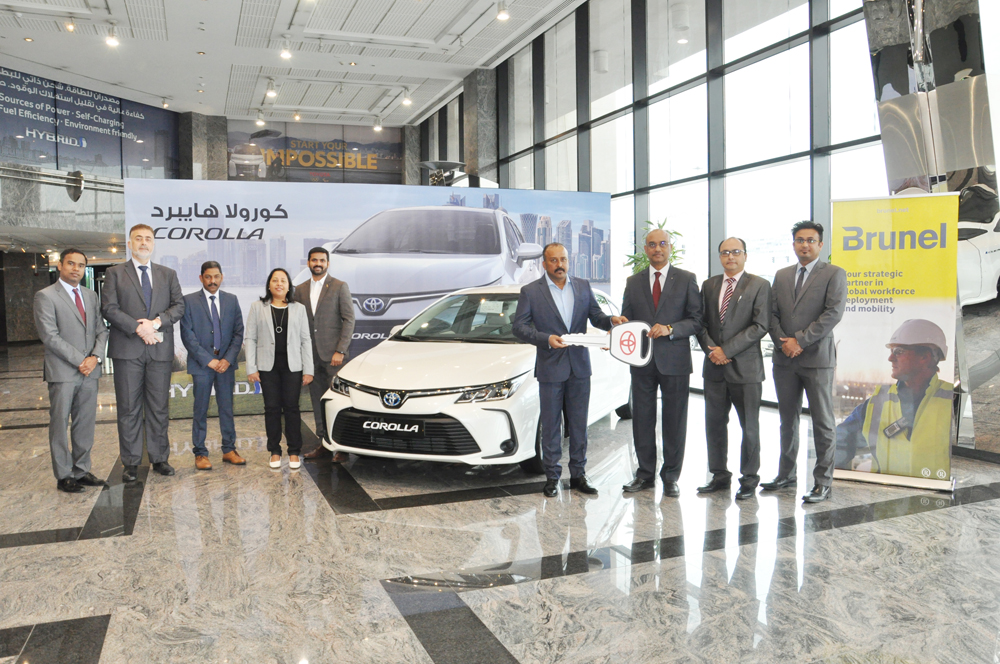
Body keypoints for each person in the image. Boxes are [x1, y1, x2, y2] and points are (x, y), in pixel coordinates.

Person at [512, 243, 626, 497]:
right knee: (552, 426)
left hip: (579, 367)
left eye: (563, 259)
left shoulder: (583, 286)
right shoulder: (531, 291)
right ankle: (552, 477)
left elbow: (596, 316)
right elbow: (519, 327)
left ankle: (578, 476)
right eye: (553, 260)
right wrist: (545, 338)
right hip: (550, 367)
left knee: (578, 425)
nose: (559, 264)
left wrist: (611, 320)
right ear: (544, 264)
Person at [764, 220, 847, 503]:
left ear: (820, 244)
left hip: (817, 359)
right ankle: (786, 475)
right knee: (787, 421)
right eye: (800, 240)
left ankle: (823, 482)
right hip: (784, 359)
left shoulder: (834, 274)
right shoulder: (782, 275)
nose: (805, 245)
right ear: (794, 244)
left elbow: (833, 313)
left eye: (811, 240)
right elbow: (771, 314)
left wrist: (799, 340)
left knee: (823, 422)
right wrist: (783, 342)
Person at [620, 229, 703, 497]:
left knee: (674, 420)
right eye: (652, 244)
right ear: (645, 249)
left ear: (670, 247)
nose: (658, 249)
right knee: (642, 419)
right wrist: (620, 326)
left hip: (675, 360)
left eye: (663, 244)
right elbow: (627, 318)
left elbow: (697, 320)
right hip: (642, 361)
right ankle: (644, 475)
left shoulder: (687, 279)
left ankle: (671, 477)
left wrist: (670, 328)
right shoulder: (633, 282)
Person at [101, 224, 185, 483]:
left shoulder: (168, 274)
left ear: (154, 243)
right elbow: (109, 309)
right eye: (138, 238)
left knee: (159, 407)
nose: (144, 243)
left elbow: (178, 306)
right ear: (129, 243)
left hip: (159, 351)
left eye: (148, 239)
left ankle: (160, 458)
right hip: (127, 351)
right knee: (128, 408)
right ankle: (131, 463)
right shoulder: (115, 273)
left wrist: (156, 323)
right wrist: (139, 328)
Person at [696, 237, 772, 500]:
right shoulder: (709, 285)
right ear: (719, 257)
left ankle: (749, 478)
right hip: (714, 368)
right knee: (714, 424)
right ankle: (719, 475)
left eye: (736, 252)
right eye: (725, 252)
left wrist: (726, 350)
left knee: (749, 425)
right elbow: (700, 322)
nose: (730, 257)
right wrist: (711, 349)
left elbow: (760, 325)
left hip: (746, 369)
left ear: (745, 255)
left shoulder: (760, 285)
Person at [835, 319, 952, 480]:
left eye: (898, 351)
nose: (890, 358)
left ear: (924, 357)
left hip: (935, 498)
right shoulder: (877, 403)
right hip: (883, 499)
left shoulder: (952, 401)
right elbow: (836, 443)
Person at [33, 248, 110, 493]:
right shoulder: (45, 296)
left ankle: (82, 470)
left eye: (80, 265)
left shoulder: (90, 296)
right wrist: (82, 360)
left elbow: (101, 329)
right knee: (59, 424)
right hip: (63, 372)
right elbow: (49, 336)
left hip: (89, 371)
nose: (76, 269)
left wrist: (95, 357)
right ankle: (64, 475)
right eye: (71, 264)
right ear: (60, 266)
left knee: (85, 423)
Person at [180, 261, 246, 470]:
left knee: (226, 408)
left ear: (222, 277)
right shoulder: (189, 301)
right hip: (202, 365)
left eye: (216, 276)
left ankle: (229, 449)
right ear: (201, 278)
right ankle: (200, 453)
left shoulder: (232, 300)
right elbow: (187, 335)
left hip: (226, 365)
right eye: (208, 277)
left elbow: (238, 333)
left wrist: (227, 359)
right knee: (200, 409)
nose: (212, 281)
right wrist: (208, 360)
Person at [245, 268, 313, 470]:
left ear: (288, 285)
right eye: (275, 280)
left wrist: (308, 369)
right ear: (269, 285)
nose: (279, 284)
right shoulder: (257, 307)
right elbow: (250, 338)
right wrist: (251, 367)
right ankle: (274, 451)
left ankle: (294, 452)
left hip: (293, 367)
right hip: (268, 368)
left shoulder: (299, 308)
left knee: (292, 408)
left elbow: (305, 340)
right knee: (272, 409)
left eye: (283, 280)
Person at [293, 247, 355, 462]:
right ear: (308, 263)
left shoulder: (339, 286)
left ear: (327, 263)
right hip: (310, 358)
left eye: (321, 260)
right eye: (314, 260)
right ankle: (324, 444)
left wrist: (340, 350)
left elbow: (349, 319)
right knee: (318, 401)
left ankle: (342, 447)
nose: (318, 263)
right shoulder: (299, 290)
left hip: (334, 357)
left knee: (337, 402)